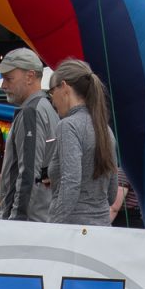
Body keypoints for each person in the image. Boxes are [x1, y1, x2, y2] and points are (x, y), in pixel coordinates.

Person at [46, 58, 119, 226]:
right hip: (101, 227)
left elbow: (71, 182)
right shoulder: (105, 129)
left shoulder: (68, 125)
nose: (52, 100)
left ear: (64, 87)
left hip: (71, 231)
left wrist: (51, 227)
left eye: (51, 91)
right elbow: (112, 193)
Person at [0, 46, 58, 222]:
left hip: (28, 222)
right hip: (40, 217)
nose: (3, 85)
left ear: (30, 77)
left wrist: (16, 221)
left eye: (8, 78)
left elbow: (29, 171)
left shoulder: (32, 111)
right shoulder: (46, 108)